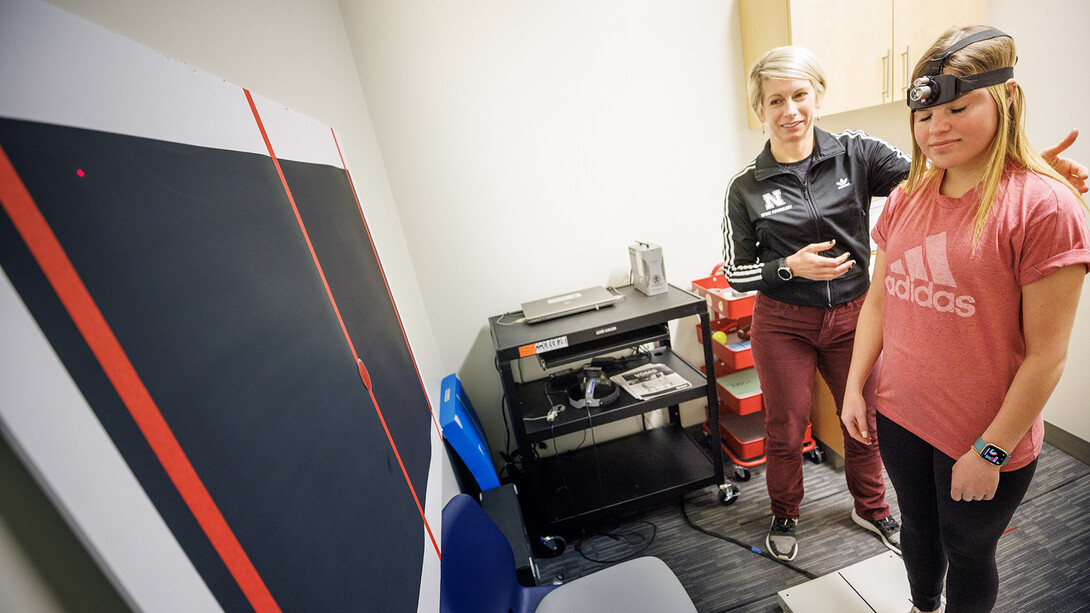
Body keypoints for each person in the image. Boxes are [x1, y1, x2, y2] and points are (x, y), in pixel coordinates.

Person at [721, 45, 1088, 563]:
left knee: (864, 418)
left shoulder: (856, 152)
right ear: (760, 109)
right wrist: (788, 268)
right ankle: (785, 510)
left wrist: (1023, 175)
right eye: (775, 100)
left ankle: (870, 507)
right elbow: (734, 274)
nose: (790, 111)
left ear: (818, 97)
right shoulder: (746, 186)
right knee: (785, 425)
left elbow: (941, 175)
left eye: (800, 95)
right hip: (783, 321)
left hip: (853, 311)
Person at [841, 25, 1090, 613]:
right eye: (925, 116)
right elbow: (880, 299)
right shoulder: (906, 196)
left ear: (1004, 99)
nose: (938, 128)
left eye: (958, 108)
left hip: (984, 434)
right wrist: (855, 385)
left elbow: (1047, 356)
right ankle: (923, 605)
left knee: (970, 551)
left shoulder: (1045, 208)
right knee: (919, 536)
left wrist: (991, 452)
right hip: (901, 414)